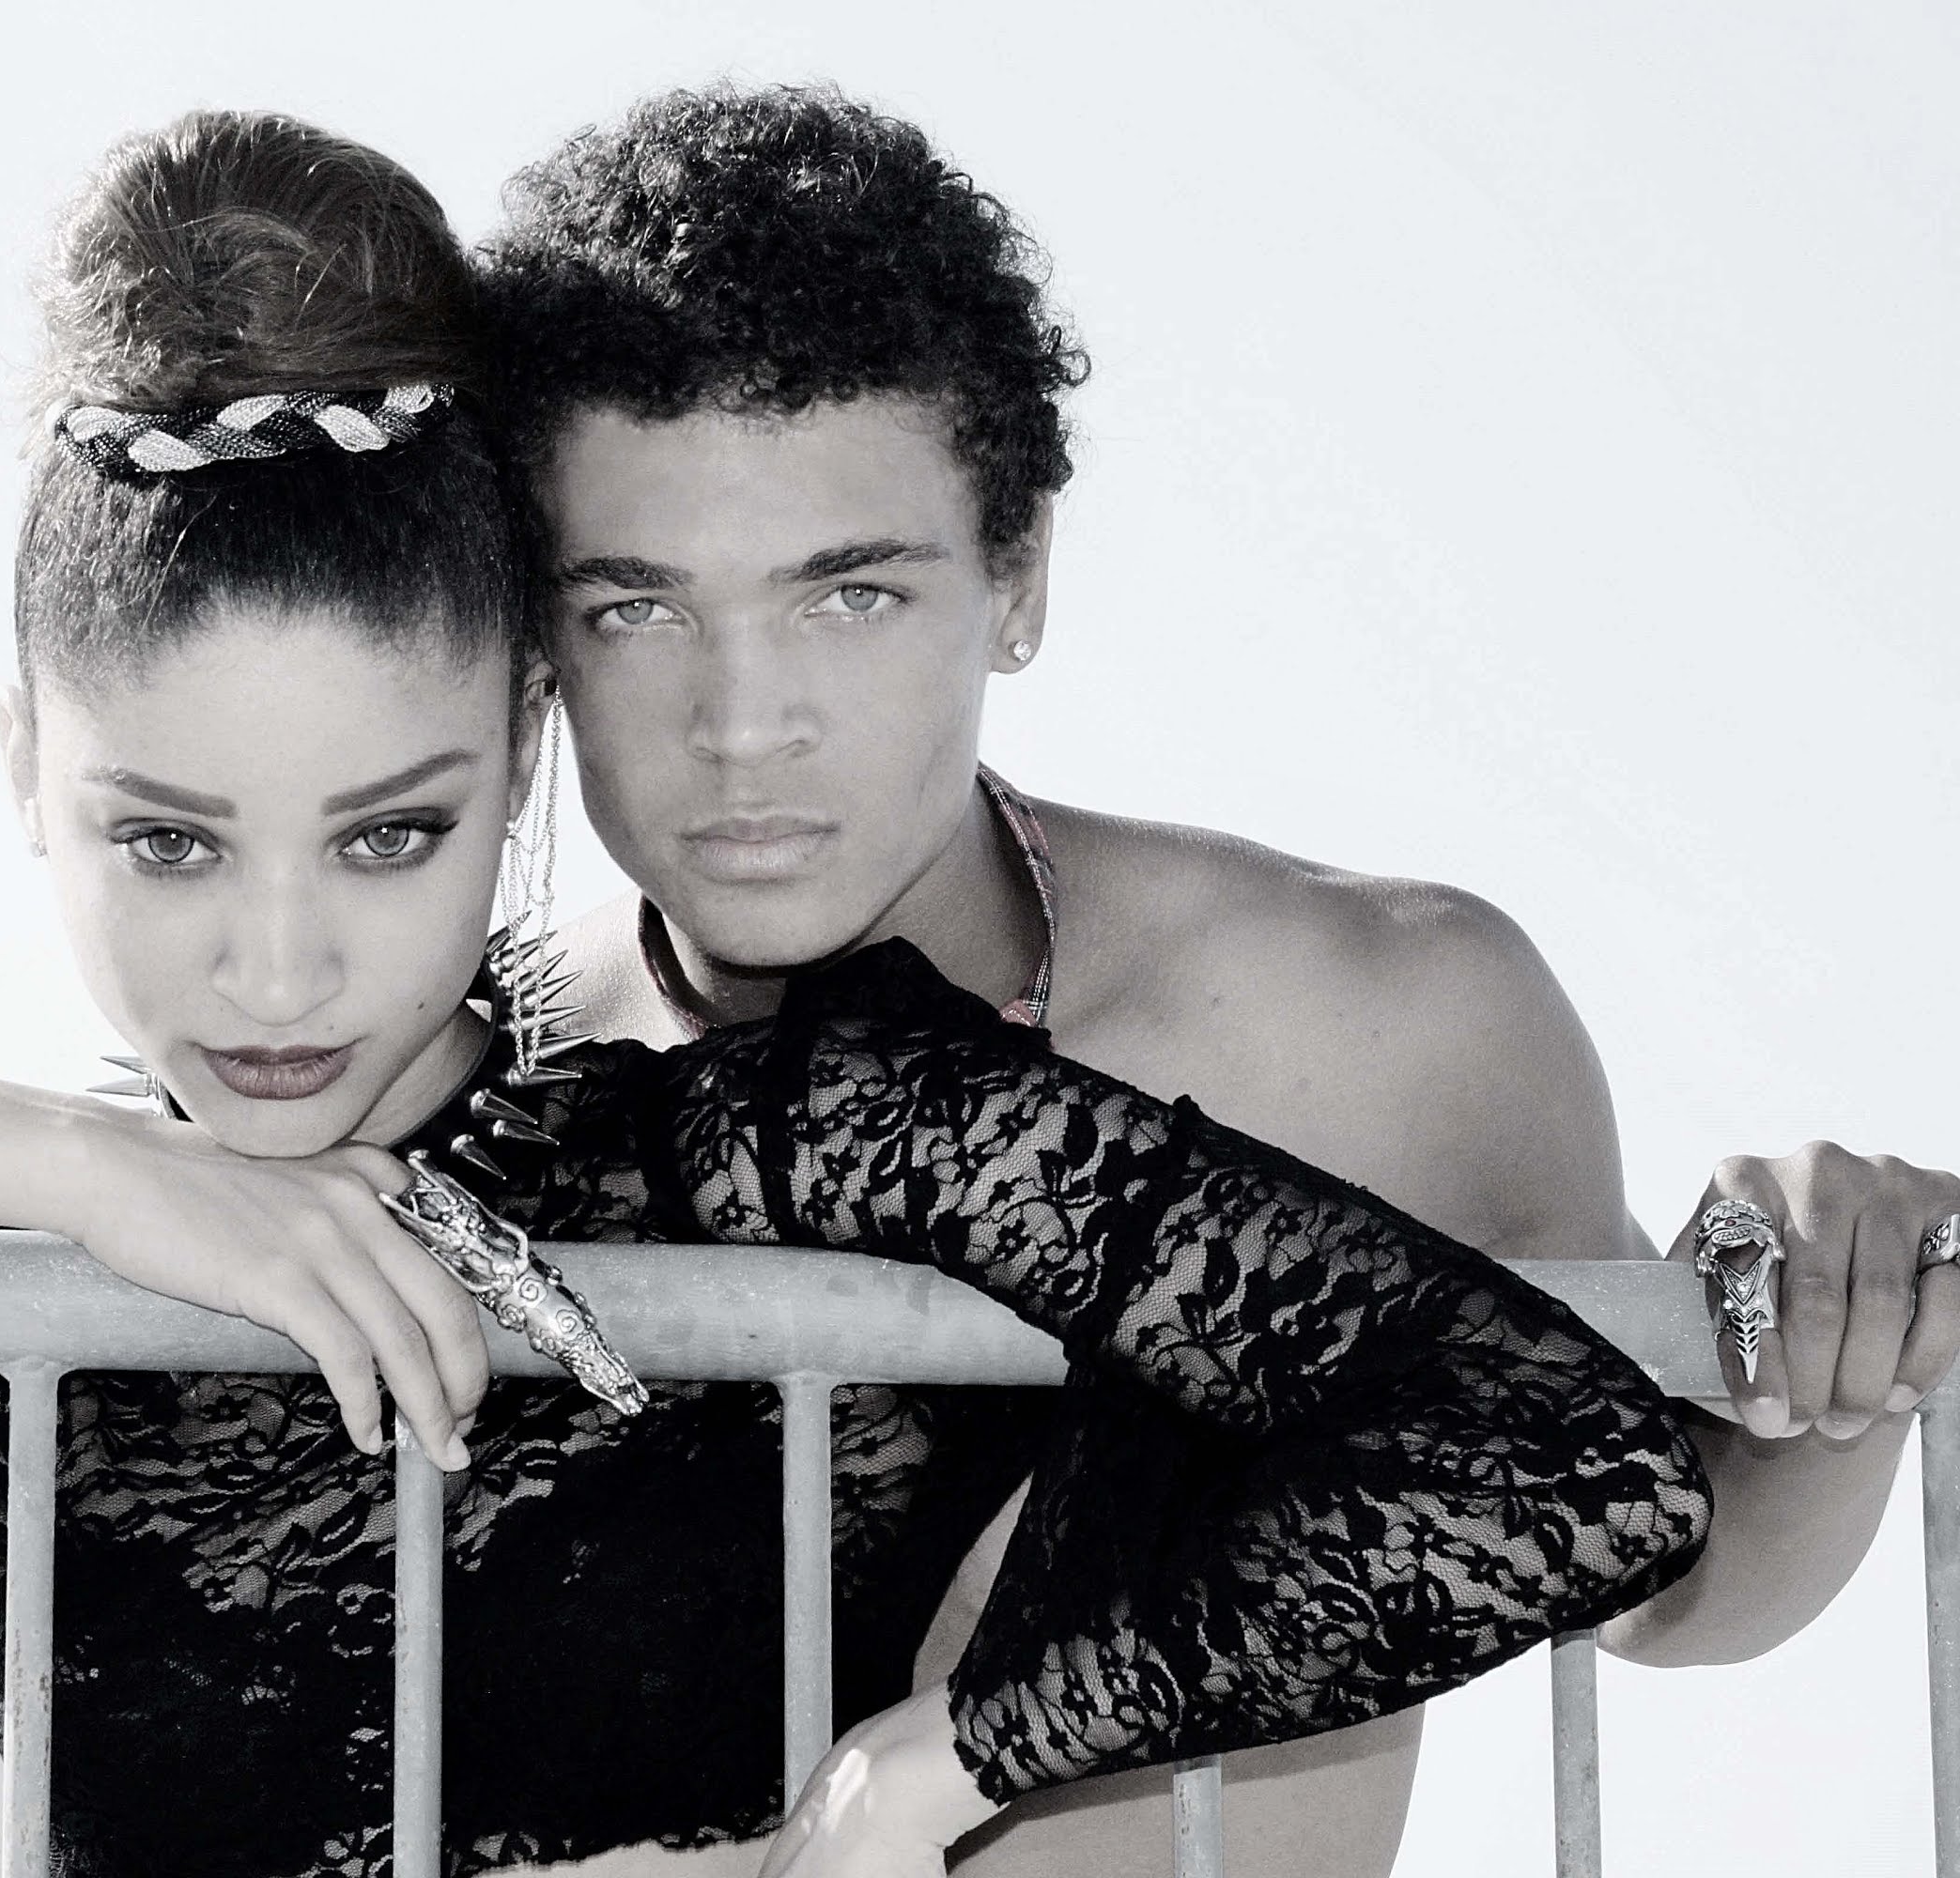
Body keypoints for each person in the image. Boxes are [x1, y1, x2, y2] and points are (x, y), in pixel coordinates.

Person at [0, 107, 1715, 1878]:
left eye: (393, 832)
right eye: (167, 841)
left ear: (522, 753)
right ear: (26, 783)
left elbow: (1566, 1471)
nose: (280, 966)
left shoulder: (800, 1130)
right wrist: (100, 1181)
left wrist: (945, 1766)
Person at [478, 82, 1960, 1876]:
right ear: (534, 638)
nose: (744, 722)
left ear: (1018, 576)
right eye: (636, 608)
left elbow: (1672, 1576)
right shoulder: (468, 1065)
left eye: (850, 596)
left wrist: (1837, 1330)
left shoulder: (1379, 1015)